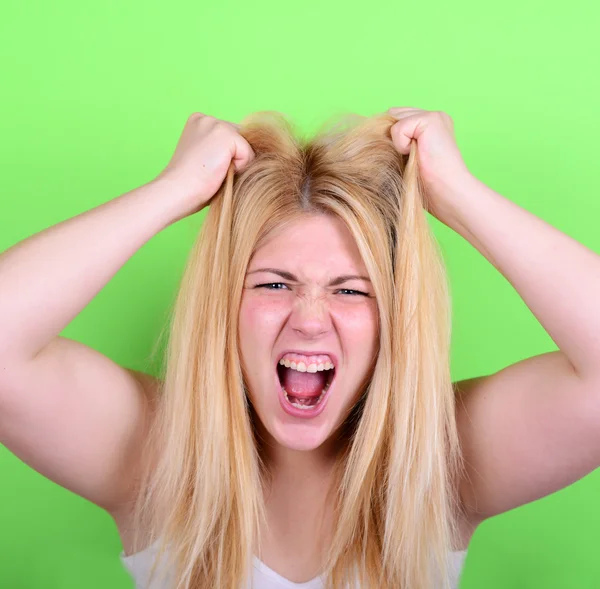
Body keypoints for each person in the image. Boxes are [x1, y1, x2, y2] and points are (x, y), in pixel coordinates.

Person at [0, 107, 599, 589]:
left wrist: (459, 194)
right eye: (274, 284)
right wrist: (174, 190)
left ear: (394, 320)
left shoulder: (442, 461)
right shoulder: (157, 456)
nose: (310, 320)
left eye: (350, 290)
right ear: (223, 306)